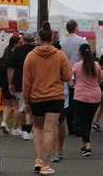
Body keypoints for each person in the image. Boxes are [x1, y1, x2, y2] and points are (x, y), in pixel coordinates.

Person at [23, 22, 72, 174]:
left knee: (38, 128)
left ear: (38, 38)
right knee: (50, 130)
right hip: (55, 97)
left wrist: (26, 100)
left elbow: (26, 81)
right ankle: (45, 164)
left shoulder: (30, 56)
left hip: (36, 97)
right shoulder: (60, 55)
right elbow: (67, 76)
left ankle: (38, 159)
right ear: (52, 37)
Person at [73, 43, 102, 157]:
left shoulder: (76, 65)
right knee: (88, 121)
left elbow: (71, 79)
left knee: (83, 121)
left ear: (80, 53)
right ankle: (84, 144)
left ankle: (88, 145)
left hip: (80, 96)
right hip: (95, 97)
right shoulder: (97, 65)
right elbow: (99, 81)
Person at [7, 32, 36, 141]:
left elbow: (10, 69)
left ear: (23, 39)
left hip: (19, 83)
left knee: (22, 108)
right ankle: (28, 130)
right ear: (33, 39)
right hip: (35, 83)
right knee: (32, 109)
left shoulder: (17, 51)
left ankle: (25, 131)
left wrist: (10, 83)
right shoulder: (36, 51)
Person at [60, 19, 87, 135]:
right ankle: (78, 126)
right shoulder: (81, 41)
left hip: (67, 73)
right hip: (80, 72)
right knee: (79, 101)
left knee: (69, 100)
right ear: (76, 27)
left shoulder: (63, 42)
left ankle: (70, 126)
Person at [0, 35, 21, 135]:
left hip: (4, 81)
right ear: (16, 43)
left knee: (7, 105)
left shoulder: (6, 52)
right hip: (13, 81)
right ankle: (15, 128)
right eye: (19, 42)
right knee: (16, 106)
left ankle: (3, 122)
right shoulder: (16, 53)